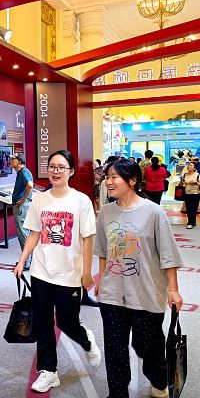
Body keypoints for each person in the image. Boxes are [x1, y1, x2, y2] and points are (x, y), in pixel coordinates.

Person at [94, 158, 183, 398]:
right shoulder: (106, 213)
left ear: (132, 181)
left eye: (114, 177)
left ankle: (158, 380)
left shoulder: (153, 212)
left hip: (147, 293)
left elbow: (168, 254)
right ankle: (118, 393)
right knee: (115, 350)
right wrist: (101, 280)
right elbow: (102, 251)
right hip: (113, 294)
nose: (108, 182)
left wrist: (173, 289)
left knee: (148, 346)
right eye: (107, 177)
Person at [14, 150, 101, 393]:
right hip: (41, 272)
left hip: (69, 274)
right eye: (52, 166)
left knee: (67, 321)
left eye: (61, 167)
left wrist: (86, 272)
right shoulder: (40, 199)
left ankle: (86, 340)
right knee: (42, 321)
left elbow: (88, 239)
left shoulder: (81, 201)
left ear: (71, 171)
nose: (56, 171)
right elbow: (34, 233)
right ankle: (48, 371)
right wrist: (22, 261)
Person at [9, 154, 33, 269]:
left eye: (12, 159)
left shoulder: (23, 172)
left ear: (18, 162)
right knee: (25, 233)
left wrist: (23, 200)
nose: (10, 161)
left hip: (21, 207)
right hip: (23, 206)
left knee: (23, 234)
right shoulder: (22, 172)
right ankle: (29, 260)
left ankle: (26, 262)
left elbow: (30, 185)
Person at [182, 161, 200, 229]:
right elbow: (183, 183)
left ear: (194, 168)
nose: (189, 166)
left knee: (193, 208)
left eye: (191, 165)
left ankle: (190, 223)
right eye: (188, 165)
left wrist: (196, 183)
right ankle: (193, 221)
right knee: (188, 208)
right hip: (187, 193)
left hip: (195, 193)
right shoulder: (185, 175)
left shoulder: (197, 175)